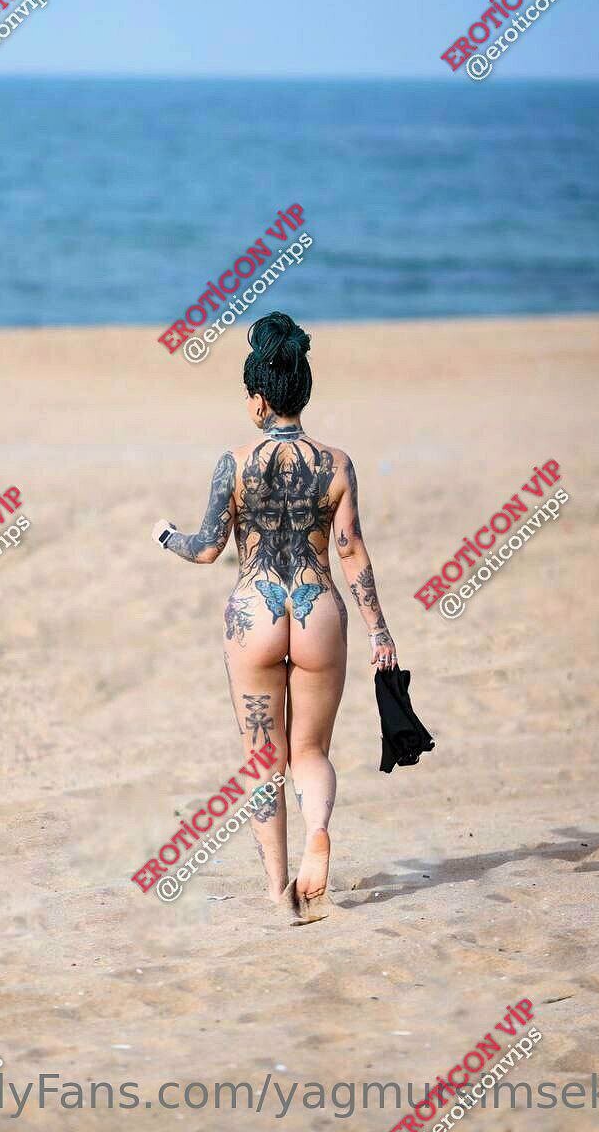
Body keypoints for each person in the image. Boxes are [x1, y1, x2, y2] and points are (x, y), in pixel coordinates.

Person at [152, 312, 397, 922]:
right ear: (303, 393)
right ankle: (319, 831)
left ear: (258, 399)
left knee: (264, 761)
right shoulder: (337, 464)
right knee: (310, 751)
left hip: (254, 613)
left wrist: (165, 536)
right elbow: (350, 551)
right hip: (318, 610)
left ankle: (277, 893)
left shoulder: (234, 463)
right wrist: (380, 631)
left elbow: (207, 548)